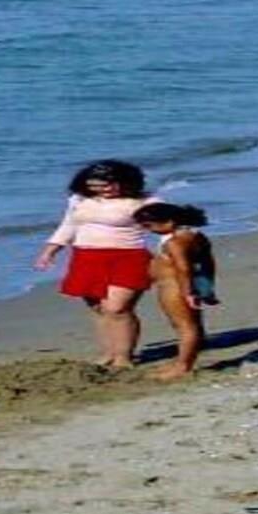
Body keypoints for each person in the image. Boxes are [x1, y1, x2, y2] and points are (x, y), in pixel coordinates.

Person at [32, 159, 154, 369]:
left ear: (126, 181)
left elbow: (166, 222)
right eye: (97, 186)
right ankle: (108, 352)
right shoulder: (79, 199)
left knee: (117, 308)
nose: (104, 190)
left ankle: (123, 357)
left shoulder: (145, 201)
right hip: (86, 257)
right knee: (99, 309)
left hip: (128, 257)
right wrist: (49, 251)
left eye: (109, 185)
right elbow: (68, 226)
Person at [134, 203, 217, 380]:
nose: (146, 230)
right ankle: (183, 361)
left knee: (185, 326)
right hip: (186, 285)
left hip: (174, 287)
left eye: (148, 225)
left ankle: (183, 366)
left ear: (169, 222)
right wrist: (207, 287)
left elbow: (183, 268)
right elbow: (207, 262)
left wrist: (188, 293)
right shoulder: (196, 235)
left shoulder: (175, 242)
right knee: (190, 324)